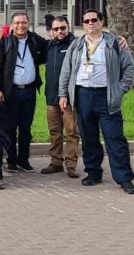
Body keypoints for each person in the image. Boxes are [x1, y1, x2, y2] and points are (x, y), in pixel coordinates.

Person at [58, 9, 134, 194]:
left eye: (94, 20)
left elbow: (129, 69)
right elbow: (66, 71)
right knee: (88, 138)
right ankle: (93, 173)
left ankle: (124, 178)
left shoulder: (115, 43)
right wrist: (63, 95)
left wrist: (120, 90)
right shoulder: (76, 45)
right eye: (86, 21)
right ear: (82, 24)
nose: (90, 24)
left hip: (107, 97)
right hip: (83, 95)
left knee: (115, 138)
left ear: (102, 22)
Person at [0, 11, 47, 173]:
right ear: (12, 25)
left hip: (29, 91)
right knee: (10, 127)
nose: (20, 26)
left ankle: (24, 160)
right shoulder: (5, 42)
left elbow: (52, 46)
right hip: (10, 92)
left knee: (26, 128)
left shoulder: (35, 40)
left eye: (24, 23)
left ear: (28, 24)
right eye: (17, 23)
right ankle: (12, 160)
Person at [41, 16, 80, 178]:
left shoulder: (76, 45)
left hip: (69, 99)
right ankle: (56, 162)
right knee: (54, 132)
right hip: (51, 98)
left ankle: (71, 165)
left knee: (71, 133)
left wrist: (120, 38)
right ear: (51, 31)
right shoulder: (49, 46)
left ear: (68, 28)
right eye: (56, 29)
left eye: (62, 28)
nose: (59, 31)